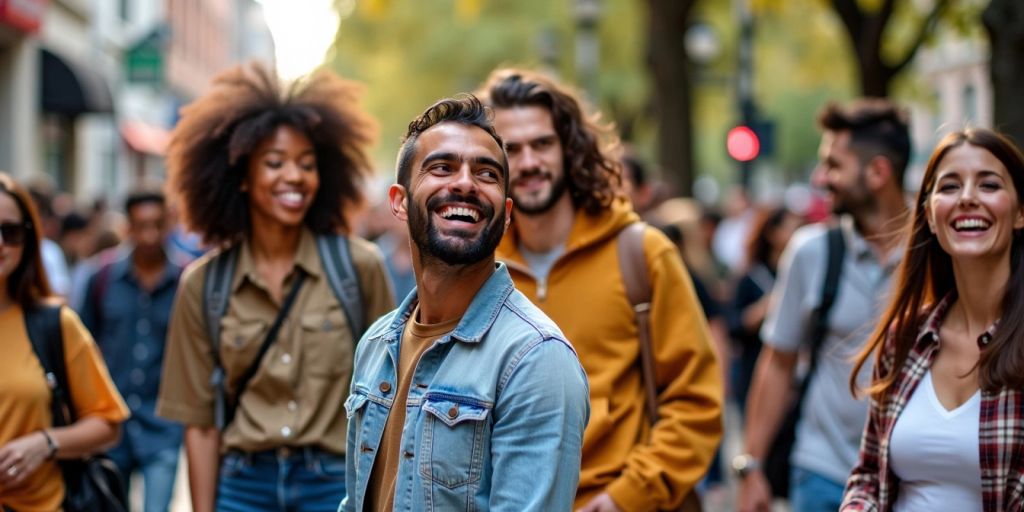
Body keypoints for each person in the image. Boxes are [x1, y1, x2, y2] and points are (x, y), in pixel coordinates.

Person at [479, 68, 722, 512]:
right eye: (511, 149)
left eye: (542, 144)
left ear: (568, 148)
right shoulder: (478, 266)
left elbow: (696, 401)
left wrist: (626, 498)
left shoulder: (642, 252)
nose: (530, 162)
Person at [156, 62, 394, 512]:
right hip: (241, 486)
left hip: (334, 483)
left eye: (307, 164)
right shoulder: (204, 285)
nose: (295, 177)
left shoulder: (358, 268)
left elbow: (389, 398)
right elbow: (201, 425)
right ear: (241, 177)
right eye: (275, 163)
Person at [341, 94, 590, 511]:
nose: (465, 183)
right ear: (399, 201)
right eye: (441, 167)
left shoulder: (536, 360)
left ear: (506, 212)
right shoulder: (375, 344)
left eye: (486, 173)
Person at [735, 99, 911, 512]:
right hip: (822, 473)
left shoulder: (935, 255)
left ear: (878, 172)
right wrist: (752, 467)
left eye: (833, 165)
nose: (821, 178)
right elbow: (777, 362)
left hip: (909, 478)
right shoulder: (810, 252)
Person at [843, 128, 1024, 511]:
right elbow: (868, 476)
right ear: (928, 213)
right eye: (950, 187)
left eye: (989, 185)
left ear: (1021, 212)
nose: (968, 198)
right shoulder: (905, 337)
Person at [0, 172, 129, 511]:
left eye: (10, 232)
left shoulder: (54, 324)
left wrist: (45, 444)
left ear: (28, 242)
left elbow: (107, 423)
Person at [76, 190, 184, 512]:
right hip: (112, 427)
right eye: (141, 225)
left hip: (163, 425)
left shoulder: (186, 281)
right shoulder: (102, 277)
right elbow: (80, 349)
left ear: (170, 223)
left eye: (157, 224)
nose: (150, 235)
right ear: (128, 227)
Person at [728, 206, 803, 412]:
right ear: (772, 234)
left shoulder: (803, 275)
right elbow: (732, 326)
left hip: (795, 379)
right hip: (755, 372)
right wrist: (763, 310)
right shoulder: (751, 277)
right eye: (791, 228)